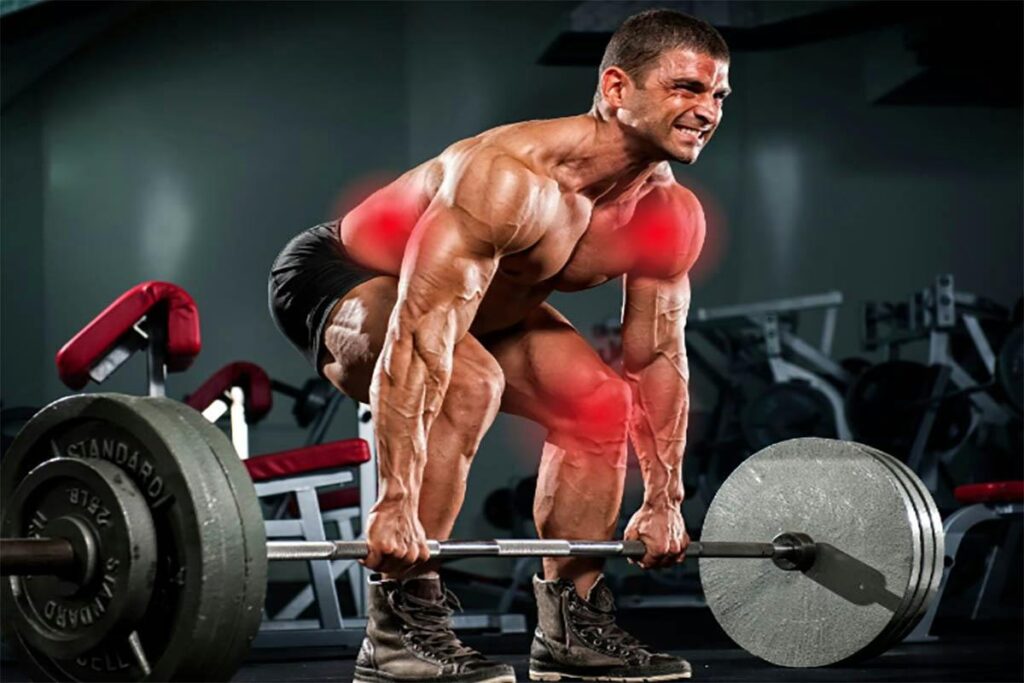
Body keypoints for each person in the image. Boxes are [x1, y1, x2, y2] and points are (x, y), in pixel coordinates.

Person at [268, 8, 730, 682]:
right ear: (616, 88)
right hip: (349, 274)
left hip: (480, 306)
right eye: (686, 87)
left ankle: (573, 627)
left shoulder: (670, 214)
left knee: (601, 405)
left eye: (718, 95)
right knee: (467, 381)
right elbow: (422, 335)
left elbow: (657, 356)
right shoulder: (509, 176)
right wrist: (395, 501)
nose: (707, 110)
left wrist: (665, 498)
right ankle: (399, 628)